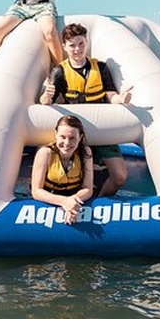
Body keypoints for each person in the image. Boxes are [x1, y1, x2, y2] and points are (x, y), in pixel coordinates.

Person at [39, 23, 132, 197]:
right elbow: (46, 102)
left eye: (81, 44)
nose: (77, 49)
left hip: (103, 128)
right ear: (65, 46)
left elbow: (111, 94)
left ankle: (99, 201)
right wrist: (46, 97)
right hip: (77, 133)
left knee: (120, 176)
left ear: (86, 43)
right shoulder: (59, 72)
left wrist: (121, 99)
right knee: (75, 177)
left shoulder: (101, 68)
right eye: (72, 45)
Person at [31, 115, 94, 225]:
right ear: (56, 134)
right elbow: (36, 192)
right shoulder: (45, 153)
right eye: (62, 137)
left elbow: (88, 188)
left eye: (72, 138)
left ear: (80, 137)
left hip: (75, 196)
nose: (67, 143)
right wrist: (64, 202)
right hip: (49, 197)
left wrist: (72, 203)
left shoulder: (85, 153)